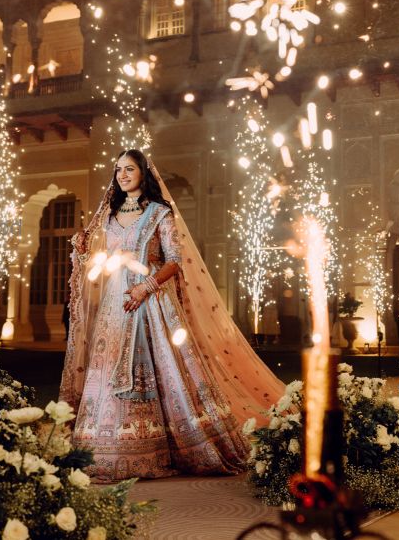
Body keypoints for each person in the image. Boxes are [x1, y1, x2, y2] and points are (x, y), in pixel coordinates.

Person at [59, 150, 284, 481]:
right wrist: (81, 248)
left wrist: (145, 287)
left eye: (129, 169)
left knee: (164, 372)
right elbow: (103, 258)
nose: (122, 175)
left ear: (143, 173)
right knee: (109, 373)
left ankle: (167, 445)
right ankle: (107, 447)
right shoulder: (109, 214)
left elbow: (174, 260)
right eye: (118, 170)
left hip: (150, 302)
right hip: (116, 304)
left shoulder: (159, 213)